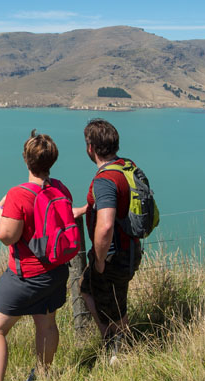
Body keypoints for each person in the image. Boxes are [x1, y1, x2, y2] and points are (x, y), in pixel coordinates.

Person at [0, 130, 73, 381]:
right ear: (52, 160)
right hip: (56, 272)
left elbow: (6, 236)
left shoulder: (18, 194)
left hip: (24, 277)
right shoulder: (60, 188)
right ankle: (43, 377)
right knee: (46, 324)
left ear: (26, 160)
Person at [74, 118, 144, 361]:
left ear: (91, 148)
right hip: (132, 248)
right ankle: (110, 341)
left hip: (114, 254)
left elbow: (105, 227)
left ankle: (121, 353)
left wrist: (101, 260)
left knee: (114, 304)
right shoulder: (125, 166)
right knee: (90, 288)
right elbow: (117, 201)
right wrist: (86, 208)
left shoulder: (104, 181)